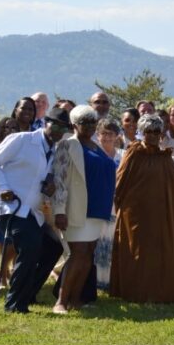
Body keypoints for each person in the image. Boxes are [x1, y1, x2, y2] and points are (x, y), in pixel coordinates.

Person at [0, 107, 68, 313]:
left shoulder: (54, 151)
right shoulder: (21, 140)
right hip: (7, 206)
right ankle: (14, 304)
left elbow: (40, 180)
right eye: (55, 125)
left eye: (63, 128)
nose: (58, 131)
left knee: (53, 247)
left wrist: (49, 188)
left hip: (31, 210)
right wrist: (2, 189)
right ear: (45, 122)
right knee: (30, 246)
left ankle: (28, 294)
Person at [110, 114, 174, 303]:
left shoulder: (165, 157)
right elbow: (121, 182)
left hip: (160, 213)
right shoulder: (133, 153)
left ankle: (159, 291)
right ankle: (135, 291)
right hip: (135, 213)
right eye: (148, 131)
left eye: (156, 132)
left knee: (158, 251)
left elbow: (173, 190)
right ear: (141, 132)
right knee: (137, 250)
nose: (152, 135)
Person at [51, 105, 116, 313]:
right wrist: (59, 210)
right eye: (84, 122)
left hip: (97, 209)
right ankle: (61, 301)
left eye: (92, 122)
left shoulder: (96, 146)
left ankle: (76, 299)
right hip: (77, 208)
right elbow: (59, 180)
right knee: (78, 254)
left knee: (88, 255)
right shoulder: (67, 145)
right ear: (74, 125)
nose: (89, 126)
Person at [93, 117, 124, 290]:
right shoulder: (94, 154)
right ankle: (95, 280)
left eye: (111, 134)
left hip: (116, 203)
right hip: (98, 202)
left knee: (112, 241)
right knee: (98, 242)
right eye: (103, 133)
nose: (107, 137)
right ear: (98, 135)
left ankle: (110, 280)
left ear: (117, 135)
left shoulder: (123, 155)